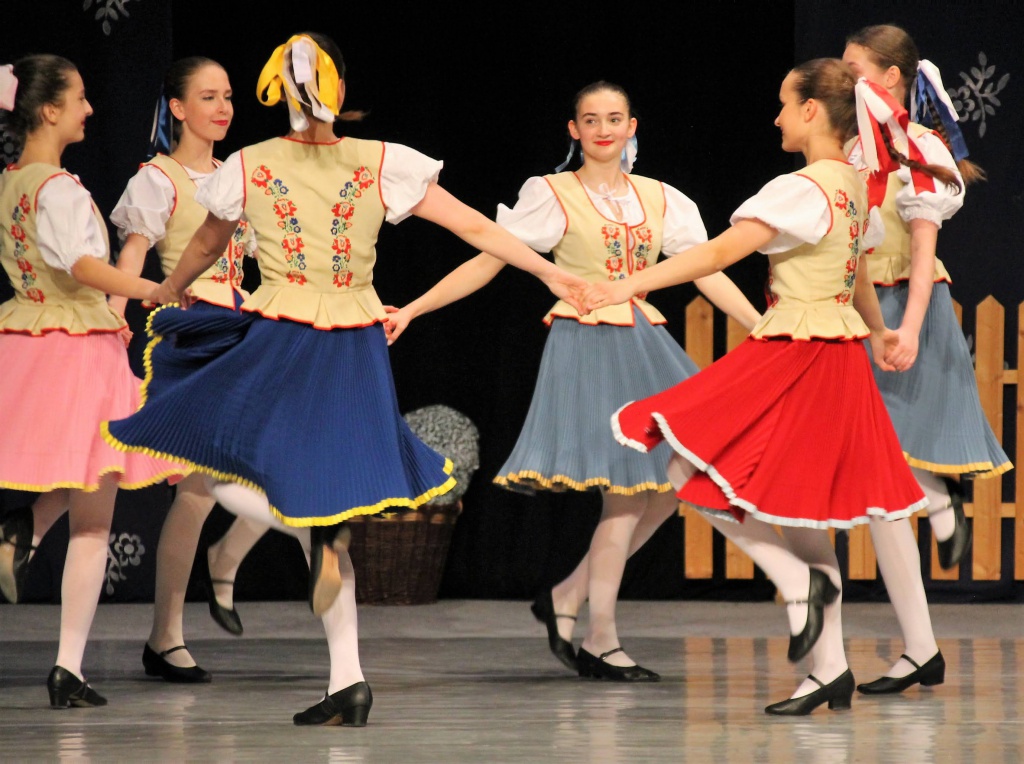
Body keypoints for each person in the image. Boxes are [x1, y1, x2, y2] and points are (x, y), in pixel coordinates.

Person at [103, 33, 587, 726]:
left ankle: (299, 551)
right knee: (321, 511)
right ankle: (348, 678)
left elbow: (208, 242)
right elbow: (478, 229)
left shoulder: (251, 164)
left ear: (281, 93)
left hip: (283, 335)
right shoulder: (380, 161)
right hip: (355, 344)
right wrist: (549, 272)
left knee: (213, 454)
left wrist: (169, 289)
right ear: (339, 91)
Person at [583, 59, 949, 715]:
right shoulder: (855, 186)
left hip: (797, 347)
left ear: (811, 111)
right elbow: (857, 274)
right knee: (804, 518)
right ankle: (828, 667)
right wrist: (875, 332)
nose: (777, 117)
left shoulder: (801, 188)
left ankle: (795, 586)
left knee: (686, 462)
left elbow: (718, 253)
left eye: (784, 104)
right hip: (838, 350)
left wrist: (628, 284)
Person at [385, 81, 761, 680]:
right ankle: (601, 637)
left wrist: (760, 325)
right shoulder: (552, 193)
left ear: (632, 125)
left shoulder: (663, 198)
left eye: (614, 118)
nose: (603, 129)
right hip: (588, 345)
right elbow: (490, 257)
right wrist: (414, 308)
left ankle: (568, 595)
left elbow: (707, 269)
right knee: (626, 488)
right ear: (574, 129)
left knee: (677, 479)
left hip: (643, 341)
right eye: (591, 119)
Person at [0, 55, 181, 707]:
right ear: (49, 109)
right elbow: (80, 265)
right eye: (79, 98)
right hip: (79, 350)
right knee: (95, 517)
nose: (89, 109)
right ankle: (67, 668)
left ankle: (25, 526)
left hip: (29, 339)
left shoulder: (10, 182)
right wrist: (152, 288)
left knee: (79, 478)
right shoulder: (60, 190)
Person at [841, 24, 1012, 695]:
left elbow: (920, 253)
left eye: (855, 69)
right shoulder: (852, 146)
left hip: (901, 308)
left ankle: (936, 503)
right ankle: (918, 640)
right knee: (876, 478)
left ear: (890, 78)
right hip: (856, 314)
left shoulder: (920, 148)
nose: (846, 80)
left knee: (882, 473)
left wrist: (905, 329)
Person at [109, 56, 273, 683]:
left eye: (228, 95)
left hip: (240, 324)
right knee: (198, 488)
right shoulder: (160, 179)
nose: (223, 107)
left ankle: (225, 558)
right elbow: (132, 257)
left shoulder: (239, 176)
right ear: (178, 108)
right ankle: (166, 635)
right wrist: (114, 317)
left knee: (278, 459)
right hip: (190, 330)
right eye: (208, 96)